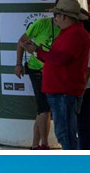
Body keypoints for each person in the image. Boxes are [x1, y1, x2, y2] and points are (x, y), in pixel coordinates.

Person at [22, 0, 90, 150]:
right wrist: (39, 52)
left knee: (65, 134)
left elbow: (61, 59)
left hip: (64, 92)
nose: (55, 18)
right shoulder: (70, 32)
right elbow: (58, 57)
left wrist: (38, 51)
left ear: (64, 17)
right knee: (65, 133)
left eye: (56, 15)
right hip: (61, 91)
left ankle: (72, 169)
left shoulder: (75, 34)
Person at [15, 16, 60, 149]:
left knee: (43, 110)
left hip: (53, 69)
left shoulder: (68, 28)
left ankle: (35, 145)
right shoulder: (42, 23)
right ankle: (44, 145)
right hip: (37, 69)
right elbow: (21, 41)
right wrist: (18, 64)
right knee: (44, 108)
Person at [77, 17, 90, 150]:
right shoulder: (85, 41)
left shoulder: (87, 42)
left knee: (82, 126)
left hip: (86, 89)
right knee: (81, 126)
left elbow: (87, 69)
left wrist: (81, 89)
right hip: (85, 88)